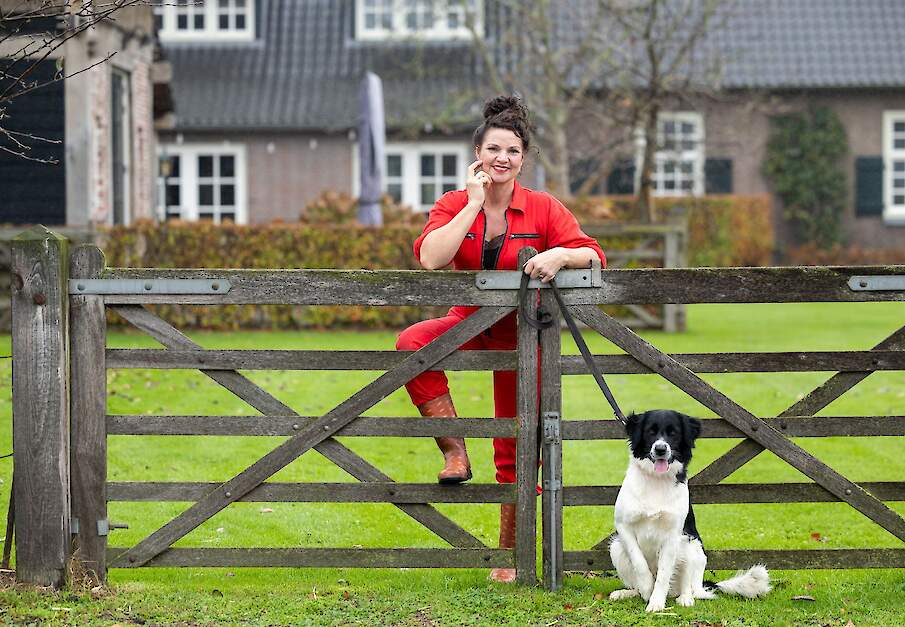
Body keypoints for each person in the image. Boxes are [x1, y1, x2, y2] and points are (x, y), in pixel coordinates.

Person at [396, 95, 606, 583]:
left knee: (518, 444)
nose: (502, 158)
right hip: (468, 320)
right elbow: (431, 258)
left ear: (523, 158)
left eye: (512, 151)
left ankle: (510, 558)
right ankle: (454, 451)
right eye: (493, 149)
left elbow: (594, 255)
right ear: (477, 153)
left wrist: (560, 255)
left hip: (523, 332)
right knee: (412, 343)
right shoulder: (454, 203)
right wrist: (472, 203)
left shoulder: (543, 207)